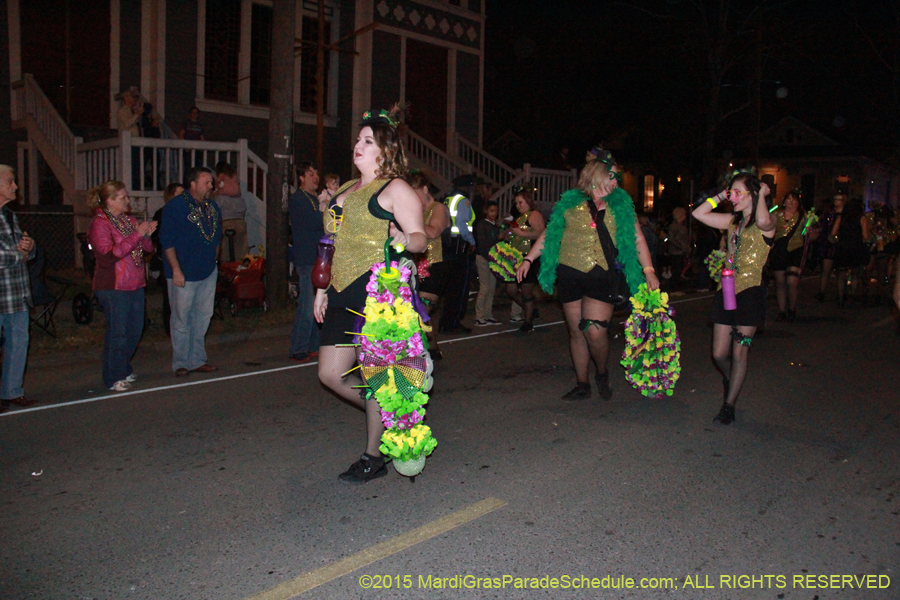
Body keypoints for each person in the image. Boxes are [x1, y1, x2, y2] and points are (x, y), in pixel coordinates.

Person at [314, 106, 426, 484]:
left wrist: (404, 239)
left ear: (385, 150)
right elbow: (330, 242)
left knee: (375, 375)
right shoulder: (345, 189)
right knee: (330, 374)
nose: (357, 146)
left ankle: (372, 455)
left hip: (377, 295)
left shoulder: (395, 188)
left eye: (367, 141)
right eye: (357, 141)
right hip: (340, 290)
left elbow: (421, 237)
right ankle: (389, 413)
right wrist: (321, 289)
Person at [516, 147, 659, 401]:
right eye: (612, 176)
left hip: (602, 275)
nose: (617, 182)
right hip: (570, 274)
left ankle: (601, 371)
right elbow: (550, 235)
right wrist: (529, 258)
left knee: (594, 331)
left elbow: (637, 239)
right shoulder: (570, 204)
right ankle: (582, 383)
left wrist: (648, 271)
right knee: (576, 332)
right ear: (597, 177)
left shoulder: (621, 206)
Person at [692, 168, 775, 425]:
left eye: (738, 193)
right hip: (726, 291)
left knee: (740, 353)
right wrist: (722, 194)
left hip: (751, 293)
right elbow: (699, 213)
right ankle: (731, 380)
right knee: (719, 354)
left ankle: (729, 404)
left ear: (752, 195)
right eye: (732, 193)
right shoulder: (732, 221)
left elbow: (762, 221)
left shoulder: (768, 223)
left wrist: (760, 194)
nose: (733, 197)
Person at [87, 181, 156, 391]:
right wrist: (136, 235)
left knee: (135, 329)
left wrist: (145, 235)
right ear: (110, 201)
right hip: (113, 286)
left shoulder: (127, 221)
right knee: (118, 332)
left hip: (134, 283)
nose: (127, 201)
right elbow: (109, 255)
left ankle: (122, 366)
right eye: (123, 198)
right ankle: (113, 375)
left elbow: (146, 248)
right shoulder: (100, 223)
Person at [160, 166, 222, 377]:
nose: (211, 186)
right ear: (193, 184)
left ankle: (197, 359)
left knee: (203, 316)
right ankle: (180, 362)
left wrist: (214, 261)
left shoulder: (212, 207)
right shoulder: (175, 207)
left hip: (207, 271)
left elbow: (216, 238)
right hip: (183, 273)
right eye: (207, 182)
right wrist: (176, 269)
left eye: (211, 183)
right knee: (181, 318)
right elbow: (167, 242)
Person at [0, 165, 37, 413]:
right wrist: (20, 254)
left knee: (18, 343)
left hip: (17, 293)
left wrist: (29, 247)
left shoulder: (9, 215)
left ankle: (12, 391)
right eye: (11, 182)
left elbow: (24, 253)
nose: (15, 186)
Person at [406, 170, 451, 359]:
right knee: (418, 312)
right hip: (417, 266)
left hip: (437, 264)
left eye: (413, 193)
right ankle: (432, 348)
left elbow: (433, 232)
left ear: (424, 189)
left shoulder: (439, 207)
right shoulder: (415, 211)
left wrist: (408, 220)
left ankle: (421, 352)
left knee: (423, 310)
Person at [288, 161, 324, 363]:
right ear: (301, 177)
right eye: (310, 173)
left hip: (320, 259)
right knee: (307, 304)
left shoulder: (315, 199)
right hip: (307, 258)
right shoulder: (299, 199)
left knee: (318, 305)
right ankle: (298, 347)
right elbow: (315, 222)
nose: (315, 177)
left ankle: (313, 345)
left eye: (316, 173)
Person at [438, 175, 477, 334]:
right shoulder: (463, 201)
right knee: (460, 287)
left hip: (447, 246)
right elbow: (462, 223)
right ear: (466, 187)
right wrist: (472, 241)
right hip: (460, 246)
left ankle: (446, 321)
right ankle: (453, 322)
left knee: (449, 287)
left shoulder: (448, 199)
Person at [506, 186, 546, 333]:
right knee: (510, 290)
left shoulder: (534, 214)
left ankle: (528, 322)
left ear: (528, 201)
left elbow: (541, 235)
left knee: (526, 291)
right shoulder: (519, 217)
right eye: (516, 203)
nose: (518, 205)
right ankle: (530, 310)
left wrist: (520, 233)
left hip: (530, 257)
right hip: (516, 258)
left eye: (520, 202)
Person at [151, 182, 184, 336]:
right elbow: (157, 237)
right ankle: (170, 331)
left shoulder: (188, 214)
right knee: (170, 299)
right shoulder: (162, 213)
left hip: (185, 260)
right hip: (168, 261)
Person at [769, 189, 806, 322]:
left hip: (796, 249)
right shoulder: (775, 214)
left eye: (794, 199)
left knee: (792, 281)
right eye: (788, 199)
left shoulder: (804, 216)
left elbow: (812, 234)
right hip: (779, 249)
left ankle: (792, 307)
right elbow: (768, 229)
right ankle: (782, 310)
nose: (791, 202)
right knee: (780, 282)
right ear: (784, 201)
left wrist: (811, 231)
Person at [832, 197, 870, 308]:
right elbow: (865, 236)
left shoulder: (841, 217)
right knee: (855, 273)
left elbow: (833, 232)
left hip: (843, 246)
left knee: (841, 273)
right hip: (856, 247)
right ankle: (852, 295)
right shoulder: (862, 218)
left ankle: (840, 297)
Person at [473, 200, 503, 326]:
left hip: (492, 259)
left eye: (496, 211)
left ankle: (488, 314)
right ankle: (479, 316)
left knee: (491, 288)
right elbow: (483, 243)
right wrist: (498, 238)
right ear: (486, 211)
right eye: (491, 211)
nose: (494, 213)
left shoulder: (494, 225)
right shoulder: (482, 224)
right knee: (485, 287)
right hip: (484, 258)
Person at [214, 162, 248, 263]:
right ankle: (241, 269)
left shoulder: (221, 177)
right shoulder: (234, 177)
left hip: (226, 220)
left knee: (224, 251)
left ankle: (225, 269)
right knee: (241, 250)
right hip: (239, 220)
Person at [816, 195, 844, 303]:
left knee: (841, 272)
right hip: (829, 244)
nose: (837, 201)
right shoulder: (829, 213)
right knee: (826, 270)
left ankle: (841, 295)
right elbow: (822, 225)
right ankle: (822, 292)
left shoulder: (846, 214)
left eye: (840, 199)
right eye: (836, 199)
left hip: (841, 244)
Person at [664, 207, 690, 292]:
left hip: (681, 251)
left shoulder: (681, 226)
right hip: (675, 252)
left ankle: (675, 288)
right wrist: (680, 246)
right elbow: (671, 238)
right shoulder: (674, 226)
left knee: (678, 271)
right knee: (676, 271)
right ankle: (673, 290)